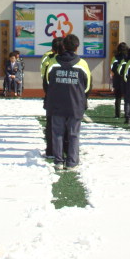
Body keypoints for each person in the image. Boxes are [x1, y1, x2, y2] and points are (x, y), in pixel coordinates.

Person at [45, 34, 91, 170]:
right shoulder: (82, 64)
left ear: (64, 46)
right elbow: (87, 86)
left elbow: (47, 81)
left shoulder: (53, 62)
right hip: (75, 104)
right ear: (77, 48)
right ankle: (72, 162)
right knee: (73, 134)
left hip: (56, 103)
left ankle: (58, 161)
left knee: (57, 133)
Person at [41, 37, 64, 158]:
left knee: (50, 123)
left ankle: (50, 150)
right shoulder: (71, 60)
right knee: (65, 124)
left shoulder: (48, 58)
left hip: (51, 95)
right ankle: (64, 151)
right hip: (67, 97)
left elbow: (44, 77)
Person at [110, 42, 128, 118]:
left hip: (117, 79)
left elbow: (112, 67)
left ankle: (117, 114)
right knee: (127, 98)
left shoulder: (115, 57)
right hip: (126, 79)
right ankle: (127, 114)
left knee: (118, 97)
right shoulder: (128, 58)